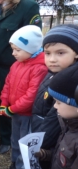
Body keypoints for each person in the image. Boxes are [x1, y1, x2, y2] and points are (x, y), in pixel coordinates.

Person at [0, 0, 42, 154]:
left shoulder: (28, 7)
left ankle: (7, 138)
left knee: (7, 98)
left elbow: (33, 38)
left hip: (13, 65)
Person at [0, 25, 47, 169]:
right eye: (13, 49)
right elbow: (7, 85)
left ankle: (22, 164)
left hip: (27, 114)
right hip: (15, 112)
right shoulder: (16, 65)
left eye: (17, 50)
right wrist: (4, 103)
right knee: (15, 139)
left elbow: (31, 96)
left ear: (31, 48)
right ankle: (15, 161)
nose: (13, 53)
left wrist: (12, 109)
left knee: (24, 141)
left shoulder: (39, 68)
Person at [30, 24, 78, 169]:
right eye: (47, 53)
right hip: (46, 142)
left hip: (53, 144)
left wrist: (40, 143)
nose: (52, 59)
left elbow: (54, 121)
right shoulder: (50, 74)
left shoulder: (70, 86)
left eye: (60, 53)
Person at [34, 62, 78, 169]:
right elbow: (63, 155)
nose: (55, 107)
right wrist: (45, 154)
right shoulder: (68, 124)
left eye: (58, 102)